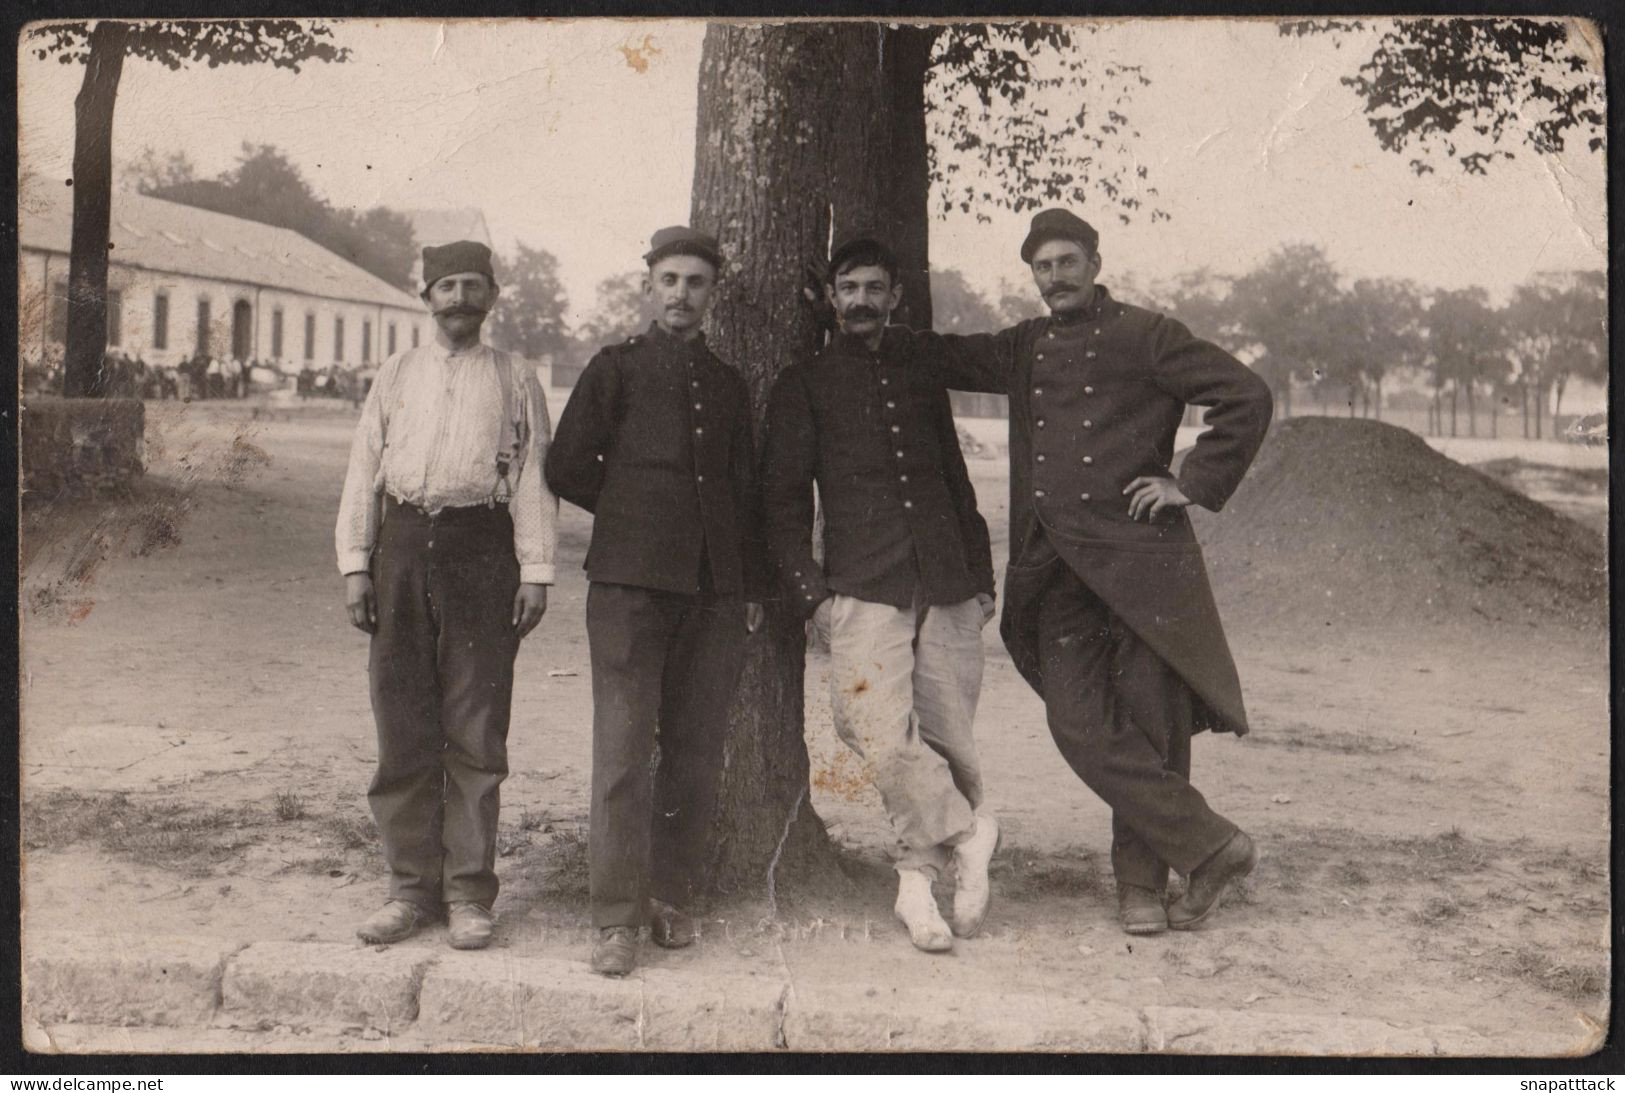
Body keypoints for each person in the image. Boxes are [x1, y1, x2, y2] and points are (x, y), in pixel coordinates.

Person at [890, 209, 1273, 935]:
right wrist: (872, 324)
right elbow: (943, 356)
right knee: (1078, 721)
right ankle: (1213, 846)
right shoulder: (1023, 346)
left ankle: (1139, 887)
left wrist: (1189, 480)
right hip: (1055, 568)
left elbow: (1245, 395)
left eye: (1068, 262)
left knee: (1152, 725)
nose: (1056, 277)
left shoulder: (1146, 335)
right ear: (1031, 276)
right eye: (1042, 266)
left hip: (1142, 563)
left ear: (1094, 263)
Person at [763, 235, 1001, 953]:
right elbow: (779, 502)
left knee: (946, 734)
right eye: (848, 288)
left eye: (874, 287)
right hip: (862, 583)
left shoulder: (920, 368)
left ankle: (916, 888)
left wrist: (982, 574)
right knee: (869, 727)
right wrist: (810, 595)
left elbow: (953, 475)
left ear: (895, 297)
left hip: (948, 578)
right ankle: (970, 830)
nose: (861, 300)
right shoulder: (802, 382)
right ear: (830, 300)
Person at [545, 226, 766, 977]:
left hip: (710, 595)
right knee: (623, 753)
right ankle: (615, 915)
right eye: (668, 279)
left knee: (695, 753)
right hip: (629, 590)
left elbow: (742, 491)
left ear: (713, 295)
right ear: (648, 287)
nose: (680, 294)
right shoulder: (615, 369)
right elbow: (566, 463)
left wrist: (744, 588)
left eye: (695, 282)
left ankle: (674, 894)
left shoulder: (729, 385)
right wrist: (636, 513)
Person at [335, 240, 557, 950]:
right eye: (446, 286)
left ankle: (467, 893)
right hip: (399, 549)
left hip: (481, 557)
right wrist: (354, 564)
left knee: (475, 731)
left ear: (492, 296)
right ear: (426, 295)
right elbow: (362, 465)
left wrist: (535, 571)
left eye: (473, 286)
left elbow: (532, 478)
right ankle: (409, 890)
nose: (459, 298)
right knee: (402, 726)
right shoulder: (395, 372)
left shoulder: (517, 378)